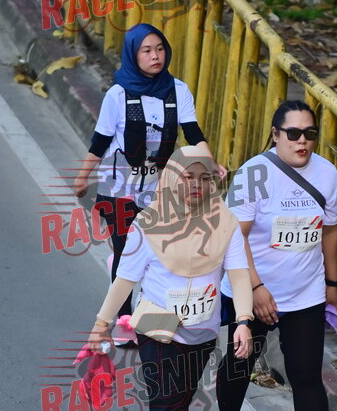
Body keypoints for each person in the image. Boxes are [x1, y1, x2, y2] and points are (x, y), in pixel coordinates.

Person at [87, 146, 254, 411]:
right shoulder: (147, 225)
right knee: (164, 402)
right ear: (171, 179)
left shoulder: (225, 223)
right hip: (157, 325)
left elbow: (239, 274)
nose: (196, 184)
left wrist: (243, 320)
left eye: (204, 178)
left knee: (178, 402)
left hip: (202, 330)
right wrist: (101, 324)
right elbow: (124, 280)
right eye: (187, 176)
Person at [214, 100, 337, 411]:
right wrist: (255, 289)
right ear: (275, 135)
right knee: (241, 362)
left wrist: (332, 284)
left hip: (304, 292)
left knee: (306, 374)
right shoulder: (254, 174)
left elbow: (329, 231)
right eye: (293, 134)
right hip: (250, 289)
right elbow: (234, 236)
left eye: (310, 134)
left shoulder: (327, 173)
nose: (302, 141)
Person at [74, 23, 225, 328]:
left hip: (158, 185)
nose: (155, 56)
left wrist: (210, 163)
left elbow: (193, 133)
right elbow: (100, 142)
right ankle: (123, 317)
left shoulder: (177, 90)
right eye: (146, 51)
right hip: (118, 186)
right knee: (127, 249)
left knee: (156, 249)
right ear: (133, 55)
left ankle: (149, 309)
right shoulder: (118, 95)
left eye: (160, 49)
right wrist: (82, 178)